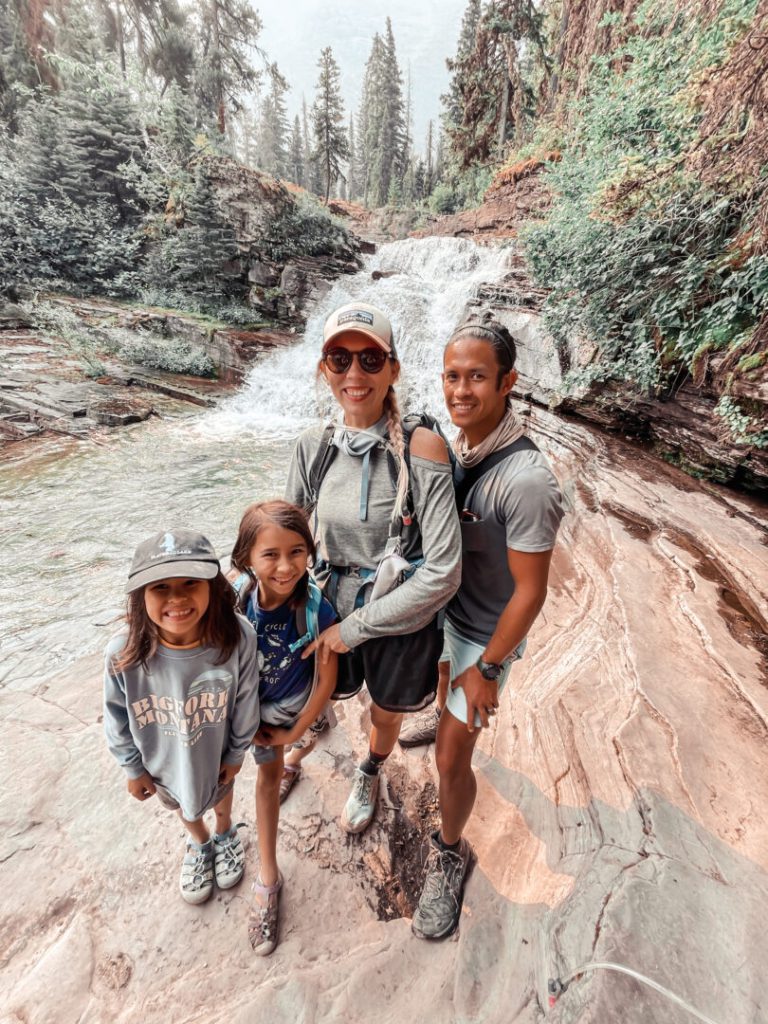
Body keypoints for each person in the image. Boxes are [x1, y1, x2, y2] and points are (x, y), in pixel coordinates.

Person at [411, 316, 565, 941]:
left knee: (452, 757)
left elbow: (532, 590)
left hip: (485, 635)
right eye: (452, 375)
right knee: (439, 702)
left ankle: (450, 853)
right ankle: (445, 706)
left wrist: (490, 669)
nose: (461, 390)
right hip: (449, 613)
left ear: (508, 383)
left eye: (477, 376)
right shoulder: (461, 447)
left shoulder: (527, 483)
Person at [286, 301, 461, 836]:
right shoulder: (312, 446)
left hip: (399, 618)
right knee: (318, 691)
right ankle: (302, 734)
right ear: (324, 369)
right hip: (327, 608)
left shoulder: (421, 447)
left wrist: (353, 631)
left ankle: (371, 767)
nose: (354, 374)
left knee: (385, 712)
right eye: (339, 360)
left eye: (369, 359)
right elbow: (286, 539)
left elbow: (444, 570)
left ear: (393, 368)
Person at [103, 529, 261, 906]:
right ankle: (200, 841)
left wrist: (237, 753)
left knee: (221, 793)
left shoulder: (237, 637)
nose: (177, 598)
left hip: (216, 753)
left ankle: (224, 832)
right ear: (140, 596)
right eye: (160, 588)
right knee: (179, 801)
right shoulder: (123, 652)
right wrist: (132, 768)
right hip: (162, 760)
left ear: (214, 585)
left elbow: (244, 701)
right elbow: (117, 715)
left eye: (191, 582)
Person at [229, 500, 338, 956]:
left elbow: (328, 676)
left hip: (299, 706)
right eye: (270, 554)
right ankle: (268, 877)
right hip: (258, 713)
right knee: (266, 779)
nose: (286, 566)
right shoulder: (236, 602)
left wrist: (298, 729)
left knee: (315, 734)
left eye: (297, 552)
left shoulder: (316, 608)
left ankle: (298, 753)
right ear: (246, 560)